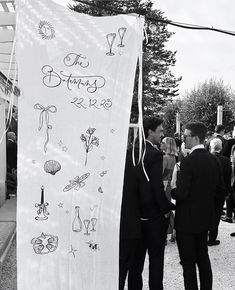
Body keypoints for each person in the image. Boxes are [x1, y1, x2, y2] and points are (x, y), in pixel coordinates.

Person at [171, 122, 225, 290]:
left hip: (186, 221)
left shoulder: (188, 162)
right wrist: (211, 211)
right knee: (203, 258)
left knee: (188, 263)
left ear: (194, 138)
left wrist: (172, 190)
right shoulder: (214, 160)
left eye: (185, 136)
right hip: (205, 219)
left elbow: (181, 194)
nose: (183, 139)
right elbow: (221, 191)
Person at [128, 117, 175, 290]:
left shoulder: (130, 152)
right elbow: (155, 186)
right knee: (156, 261)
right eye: (160, 131)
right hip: (153, 217)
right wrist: (166, 209)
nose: (162, 135)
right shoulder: (155, 154)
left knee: (135, 264)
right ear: (150, 132)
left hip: (134, 217)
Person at [119, 144, 142, 290]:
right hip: (131, 222)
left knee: (120, 268)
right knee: (132, 266)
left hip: (120, 221)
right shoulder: (134, 162)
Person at [208, 138, 231, 246]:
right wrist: (227, 192)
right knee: (216, 216)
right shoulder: (226, 161)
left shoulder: (206, 158)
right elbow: (228, 178)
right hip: (220, 193)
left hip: (206, 192)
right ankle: (212, 238)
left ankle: (204, 235)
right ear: (221, 147)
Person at [161, 137, 178, 241]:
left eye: (163, 142)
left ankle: (165, 234)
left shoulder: (165, 158)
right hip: (169, 185)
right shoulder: (173, 157)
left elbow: (160, 174)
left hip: (163, 184)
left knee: (163, 210)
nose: (161, 144)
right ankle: (171, 232)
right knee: (167, 208)